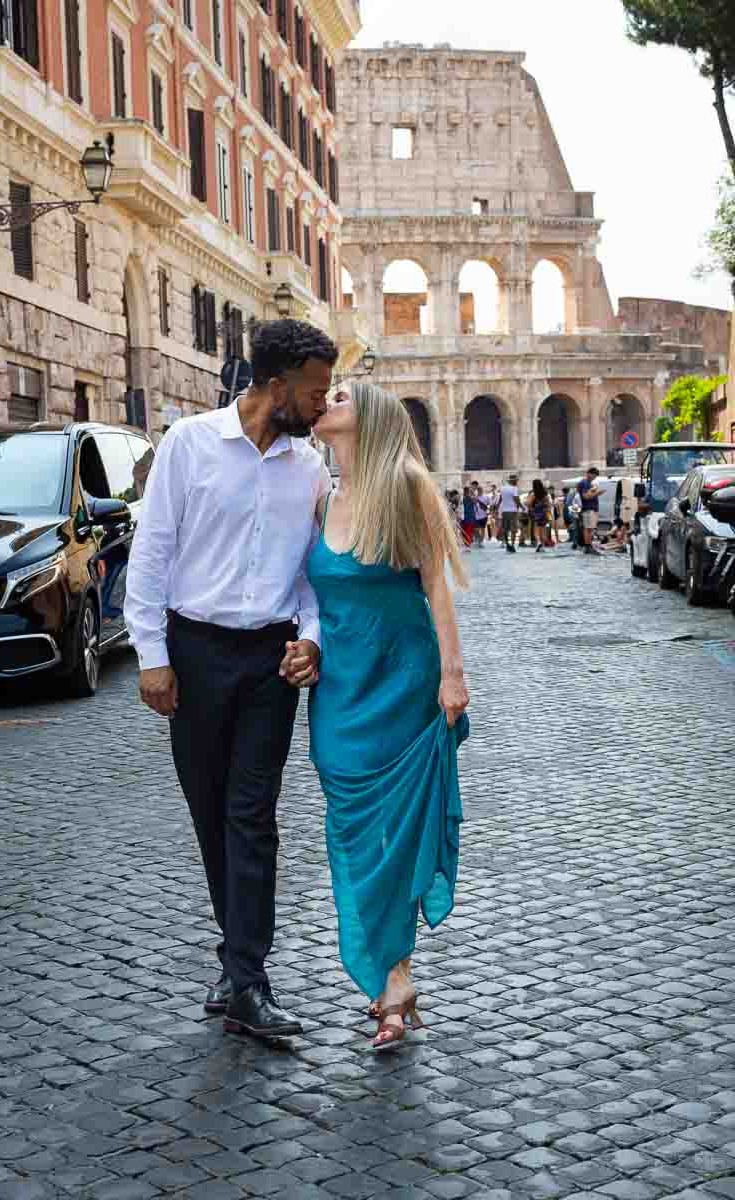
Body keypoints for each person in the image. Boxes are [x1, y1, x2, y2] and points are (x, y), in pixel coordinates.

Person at [124, 318, 339, 1042]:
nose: (322, 404)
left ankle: (249, 978)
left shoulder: (310, 467)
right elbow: (152, 553)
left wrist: (310, 640)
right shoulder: (189, 444)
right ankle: (236, 964)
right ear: (275, 386)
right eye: (314, 391)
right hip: (195, 654)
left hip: (269, 662)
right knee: (211, 815)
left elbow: (314, 578)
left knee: (252, 817)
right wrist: (152, 654)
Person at [303, 383, 470, 1051]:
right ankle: (387, 973)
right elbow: (304, 595)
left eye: (340, 393)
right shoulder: (319, 499)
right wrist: (304, 643)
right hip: (340, 694)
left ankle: (393, 984)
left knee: (396, 840)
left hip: (404, 684)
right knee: (350, 833)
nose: (326, 399)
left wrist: (453, 675)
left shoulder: (404, 483)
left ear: (367, 416)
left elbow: (436, 582)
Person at [578, 466, 603, 556]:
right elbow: (585, 496)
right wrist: (597, 493)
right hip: (588, 508)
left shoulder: (587, 483)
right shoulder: (585, 483)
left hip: (590, 508)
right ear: (590, 473)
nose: (594, 478)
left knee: (589, 528)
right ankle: (588, 547)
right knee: (588, 528)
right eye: (594, 475)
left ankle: (588, 546)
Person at [526, 479, 553, 553]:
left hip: (536, 513)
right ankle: (543, 546)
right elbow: (549, 505)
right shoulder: (545, 493)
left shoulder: (534, 493)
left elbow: (528, 503)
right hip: (544, 514)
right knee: (543, 530)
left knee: (537, 530)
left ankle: (539, 544)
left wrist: (532, 508)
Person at [499, 473, 522, 553]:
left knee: (505, 528)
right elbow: (516, 499)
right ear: (513, 481)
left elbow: (500, 498)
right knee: (513, 529)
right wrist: (521, 506)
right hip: (513, 511)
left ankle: (507, 543)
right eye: (516, 480)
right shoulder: (514, 488)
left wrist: (498, 507)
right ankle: (512, 544)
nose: (517, 482)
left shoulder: (503, 488)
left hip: (504, 511)